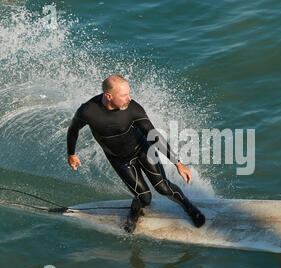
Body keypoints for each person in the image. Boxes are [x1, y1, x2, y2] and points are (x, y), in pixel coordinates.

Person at [66, 75, 205, 232]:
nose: (129, 98)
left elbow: (153, 136)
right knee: (144, 198)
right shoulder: (88, 111)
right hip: (120, 160)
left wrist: (178, 163)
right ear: (109, 96)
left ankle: (189, 207)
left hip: (143, 151)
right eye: (124, 95)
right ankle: (135, 211)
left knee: (164, 188)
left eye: (129, 93)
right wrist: (71, 153)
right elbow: (73, 130)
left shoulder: (132, 109)